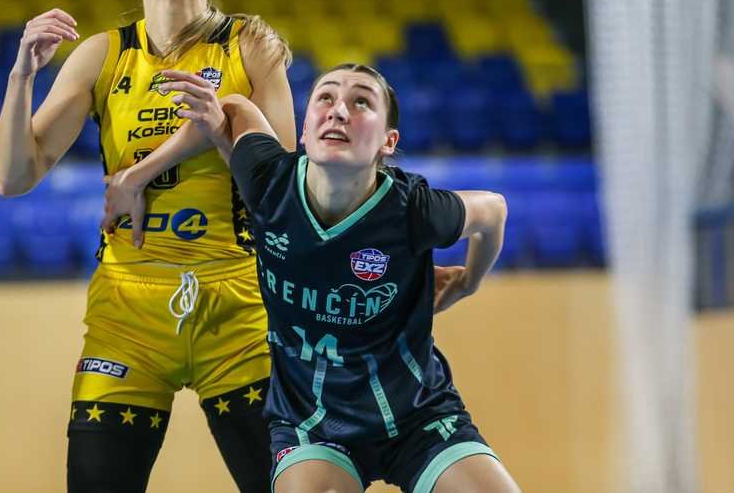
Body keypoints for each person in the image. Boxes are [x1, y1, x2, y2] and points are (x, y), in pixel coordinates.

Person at [0, 0, 295, 492]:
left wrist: (149, 168)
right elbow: (13, 176)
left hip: (239, 305)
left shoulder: (250, 44)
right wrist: (21, 74)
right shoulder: (102, 54)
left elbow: (283, 190)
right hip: (127, 312)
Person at [154, 63, 522, 492]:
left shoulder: (413, 210)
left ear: (388, 142)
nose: (339, 111)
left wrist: (468, 282)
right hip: (311, 423)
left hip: (420, 416)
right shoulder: (269, 183)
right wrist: (145, 169)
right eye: (325, 97)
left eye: (361, 102)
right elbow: (236, 106)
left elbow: (494, 210)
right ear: (305, 130)